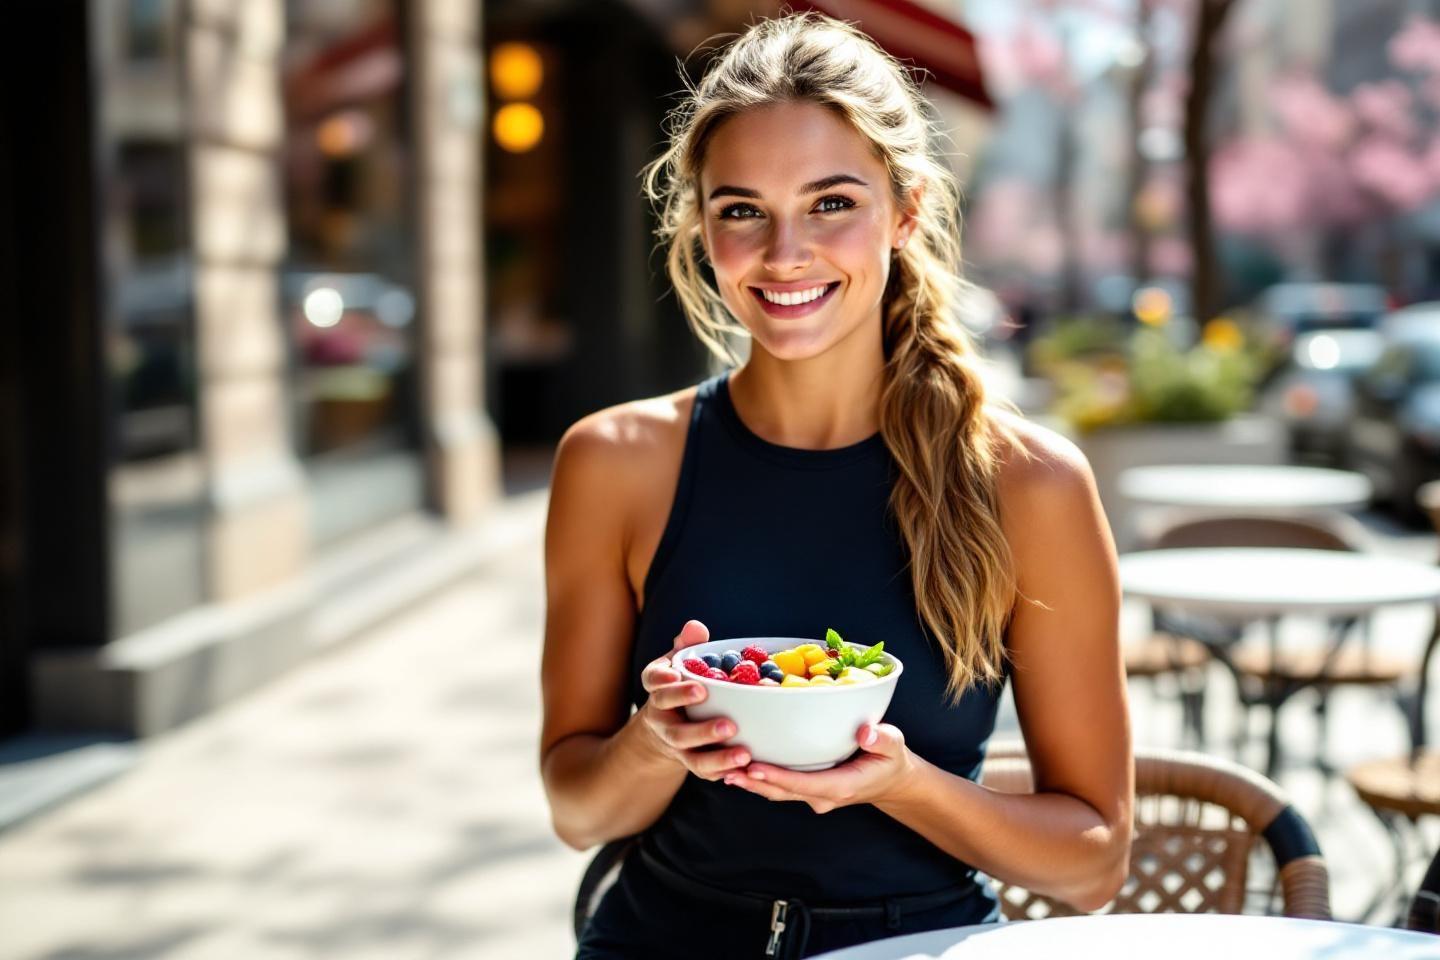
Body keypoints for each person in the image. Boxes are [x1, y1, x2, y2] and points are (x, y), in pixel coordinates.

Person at [540, 13, 1132, 958]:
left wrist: (900, 783)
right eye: (741, 210)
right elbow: (576, 809)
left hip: (916, 944)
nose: (784, 254)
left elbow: (1093, 860)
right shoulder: (612, 460)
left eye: (830, 203)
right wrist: (654, 742)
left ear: (904, 210)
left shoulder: (1030, 485)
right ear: (701, 225)